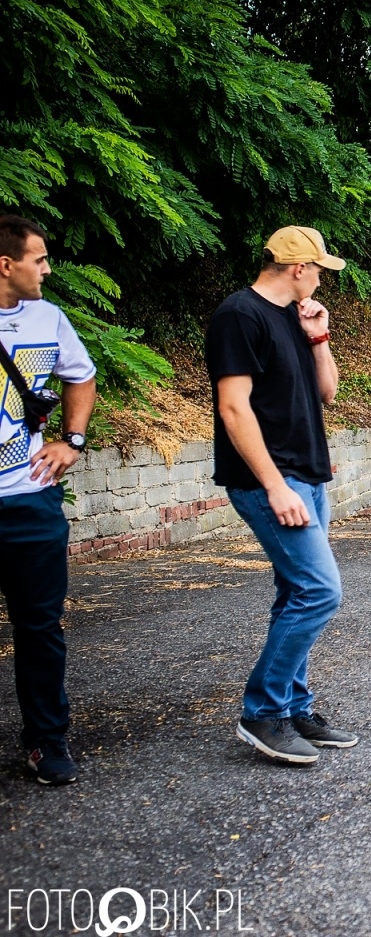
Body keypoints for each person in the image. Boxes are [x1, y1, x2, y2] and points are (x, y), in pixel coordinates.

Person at [207, 225, 358, 765]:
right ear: (298, 268)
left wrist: (319, 338)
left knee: (295, 592)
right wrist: (274, 486)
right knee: (320, 591)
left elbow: (328, 393)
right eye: (319, 270)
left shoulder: (295, 316)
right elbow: (233, 408)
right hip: (271, 481)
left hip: (309, 476)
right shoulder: (239, 317)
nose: (322, 280)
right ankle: (263, 711)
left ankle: (294, 707)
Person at [0, 216, 97, 785]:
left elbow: (80, 378)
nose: (48, 268)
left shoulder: (48, 318)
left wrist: (73, 440)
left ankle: (46, 740)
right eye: (39, 258)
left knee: (40, 628)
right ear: (6, 265)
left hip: (30, 503)